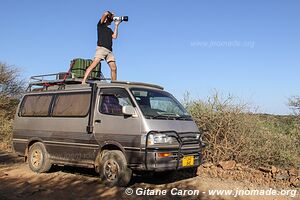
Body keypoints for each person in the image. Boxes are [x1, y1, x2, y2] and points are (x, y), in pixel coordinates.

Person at [82, 11, 121, 84]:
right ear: (106, 19)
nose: (111, 21)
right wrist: (111, 15)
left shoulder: (109, 30)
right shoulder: (100, 25)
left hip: (109, 51)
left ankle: (114, 84)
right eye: (110, 20)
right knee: (94, 64)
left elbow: (115, 36)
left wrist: (116, 25)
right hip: (101, 48)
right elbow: (105, 13)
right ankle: (83, 81)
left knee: (114, 68)